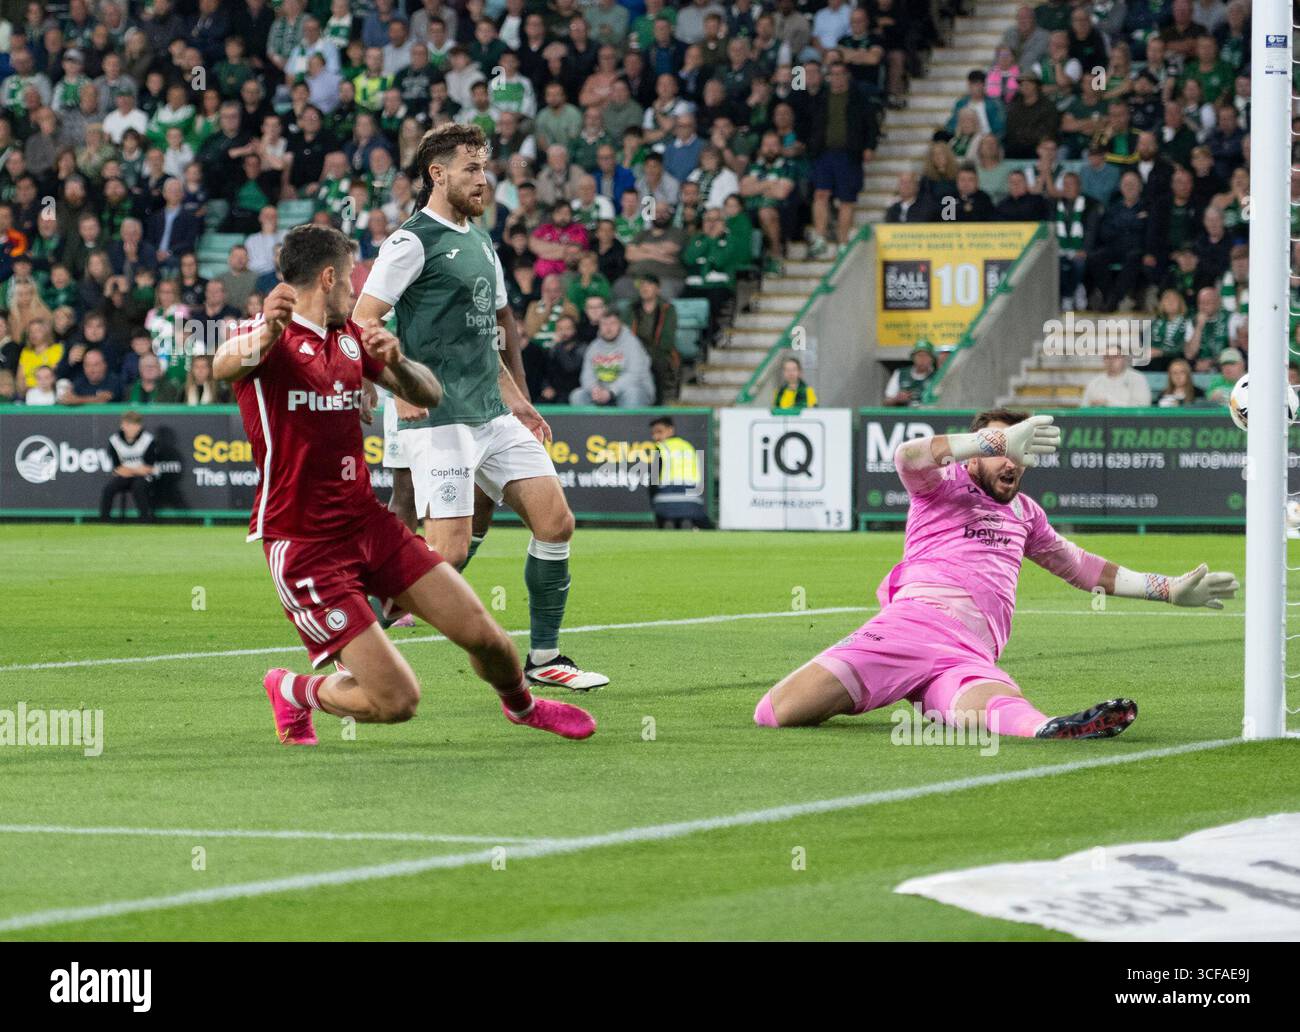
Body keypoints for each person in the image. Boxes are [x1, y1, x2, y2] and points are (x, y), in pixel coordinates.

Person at [213, 223, 595, 744]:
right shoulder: (268, 337)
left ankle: (523, 707)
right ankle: (295, 690)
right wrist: (268, 334)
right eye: (351, 278)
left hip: (369, 526)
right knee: (397, 701)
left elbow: (429, 393)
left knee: (487, 638)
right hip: (304, 543)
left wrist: (397, 364)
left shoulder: (351, 339)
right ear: (328, 278)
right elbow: (223, 364)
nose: (358, 288)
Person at [754, 410, 1238, 734]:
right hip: (910, 628)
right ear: (975, 451)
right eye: (1000, 449)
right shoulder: (940, 487)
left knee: (992, 705)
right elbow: (906, 456)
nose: (1011, 461)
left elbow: (1085, 569)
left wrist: (1169, 589)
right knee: (776, 713)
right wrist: (994, 438)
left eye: (1018, 451)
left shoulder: (1026, 513)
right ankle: (885, 680)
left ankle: (1050, 729)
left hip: (968, 653)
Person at [353, 123, 609, 692]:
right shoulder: (410, 241)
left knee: (555, 522)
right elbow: (362, 320)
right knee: (446, 549)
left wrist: (521, 404)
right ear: (437, 174)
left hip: (492, 414)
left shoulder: (480, 241)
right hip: (438, 416)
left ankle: (545, 659)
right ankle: (360, 630)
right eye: (471, 167)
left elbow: (485, 339)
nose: (483, 178)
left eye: (484, 167)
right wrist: (396, 386)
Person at [571, 308, 655, 407]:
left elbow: (634, 375)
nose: (608, 328)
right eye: (604, 324)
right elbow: (587, 375)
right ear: (599, 326)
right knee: (577, 395)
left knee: (632, 394)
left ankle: (627, 423)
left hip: (633, 390)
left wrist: (611, 391)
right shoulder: (594, 347)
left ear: (620, 324)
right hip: (603, 393)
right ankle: (592, 423)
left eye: (613, 323)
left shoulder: (632, 344)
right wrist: (594, 389)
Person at [648, 415, 709, 529]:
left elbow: (653, 479)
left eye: (659, 432)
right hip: (693, 501)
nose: (655, 436)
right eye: (653, 433)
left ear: (671, 430)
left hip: (665, 500)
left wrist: (653, 503)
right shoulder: (688, 447)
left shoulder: (661, 448)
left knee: (663, 513)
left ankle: (669, 524)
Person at [99, 411, 158, 521]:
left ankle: (145, 520)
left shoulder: (147, 440)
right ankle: (104, 520)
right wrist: (136, 470)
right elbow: (117, 468)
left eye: (134, 425)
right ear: (122, 425)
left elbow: (149, 468)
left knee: (139, 487)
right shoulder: (115, 440)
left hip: (144, 477)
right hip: (126, 475)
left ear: (139, 426)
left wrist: (129, 470)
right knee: (108, 489)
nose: (131, 428)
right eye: (128, 425)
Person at [1082, 352, 1152, 406]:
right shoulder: (1094, 382)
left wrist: (1108, 403)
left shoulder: (1138, 379)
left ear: (1124, 359)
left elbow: (1143, 406)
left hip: (1130, 422)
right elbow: (1084, 407)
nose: (1111, 360)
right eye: (1107, 357)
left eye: (1116, 357)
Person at [885, 341, 937, 406]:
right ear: (913, 357)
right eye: (919, 355)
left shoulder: (937, 376)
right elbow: (886, 401)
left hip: (927, 414)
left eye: (926, 356)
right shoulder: (900, 373)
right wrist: (897, 399)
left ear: (932, 359)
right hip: (904, 414)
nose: (922, 359)